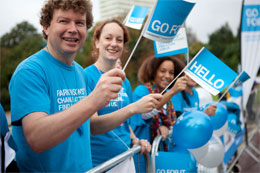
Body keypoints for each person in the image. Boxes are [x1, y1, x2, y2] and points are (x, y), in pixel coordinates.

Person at [8, 1, 130, 172]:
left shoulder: (80, 72)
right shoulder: (30, 71)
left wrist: (132, 110)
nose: (73, 29)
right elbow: (37, 138)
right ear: (46, 27)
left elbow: (89, 128)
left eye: (79, 23)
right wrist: (94, 100)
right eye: (64, 21)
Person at [84, 19, 162, 167]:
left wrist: (134, 139)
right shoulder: (86, 76)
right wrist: (134, 108)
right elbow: (93, 126)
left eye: (119, 40)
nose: (114, 43)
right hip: (99, 164)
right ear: (97, 42)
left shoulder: (123, 79)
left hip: (126, 157)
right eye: (108, 38)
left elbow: (125, 123)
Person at [133, 56, 187, 143]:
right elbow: (146, 113)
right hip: (143, 150)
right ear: (153, 72)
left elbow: (171, 121)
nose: (167, 76)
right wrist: (172, 91)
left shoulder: (169, 94)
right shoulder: (141, 90)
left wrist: (165, 126)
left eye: (171, 72)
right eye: (163, 71)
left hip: (162, 151)